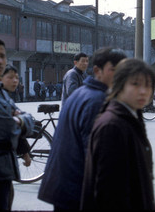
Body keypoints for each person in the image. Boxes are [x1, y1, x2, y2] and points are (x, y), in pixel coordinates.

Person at [38, 47, 127, 211]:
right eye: (113, 70)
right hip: (77, 190)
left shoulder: (86, 93)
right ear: (97, 71)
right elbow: (95, 154)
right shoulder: (96, 100)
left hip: (65, 186)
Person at [80, 58, 155, 210]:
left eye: (148, 85)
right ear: (119, 85)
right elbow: (109, 193)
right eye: (135, 84)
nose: (143, 91)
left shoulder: (131, 117)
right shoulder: (112, 126)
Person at [0, 37, 34, 210]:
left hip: (1, 173)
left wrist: (19, 119)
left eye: (3, 56)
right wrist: (20, 120)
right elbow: (5, 130)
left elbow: (30, 121)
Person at [0, 64, 34, 209]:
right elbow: (12, 126)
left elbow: (18, 127)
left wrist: (25, 153)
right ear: (0, 79)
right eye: (11, 77)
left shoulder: (5, 96)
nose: (15, 81)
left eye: (17, 78)